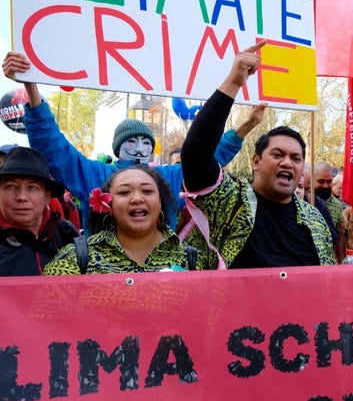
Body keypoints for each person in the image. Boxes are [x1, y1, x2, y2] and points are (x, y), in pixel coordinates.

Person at [3, 51, 248, 232]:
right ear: (117, 148)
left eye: (146, 143)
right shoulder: (94, 174)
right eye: (132, 142)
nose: (140, 149)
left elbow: (204, 160)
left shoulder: (171, 177)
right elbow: (54, 149)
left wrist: (242, 129)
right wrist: (31, 89)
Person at [180, 41, 335, 269]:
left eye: (296, 158)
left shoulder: (314, 221)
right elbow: (195, 156)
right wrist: (233, 83)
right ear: (256, 162)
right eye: (278, 154)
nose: (287, 162)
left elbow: (328, 281)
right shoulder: (230, 202)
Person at [44, 165, 200, 274]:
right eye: (124, 192)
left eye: (147, 191)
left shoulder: (191, 258)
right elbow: (45, 315)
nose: (137, 198)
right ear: (109, 206)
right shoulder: (77, 257)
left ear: (160, 203)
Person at [0, 147, 78, 276]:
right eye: (10, 186)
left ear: (47, 197)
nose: (21, 197)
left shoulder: (65, 234)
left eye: (32, 187)